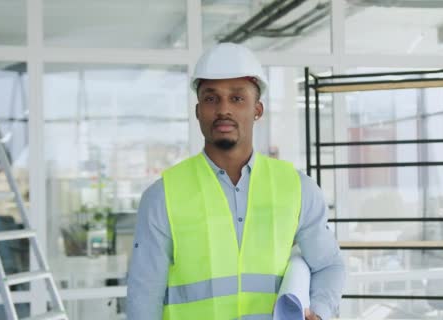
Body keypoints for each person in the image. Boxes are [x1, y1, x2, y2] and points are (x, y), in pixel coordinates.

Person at [127, 42, 345, 320]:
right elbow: (143, 297)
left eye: (237, 98)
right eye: (211, 98)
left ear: (258, 109)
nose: (223, 109)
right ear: (197, 111)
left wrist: (320, 312)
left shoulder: (297, 188)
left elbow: (329, 265)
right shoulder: (162, 196)